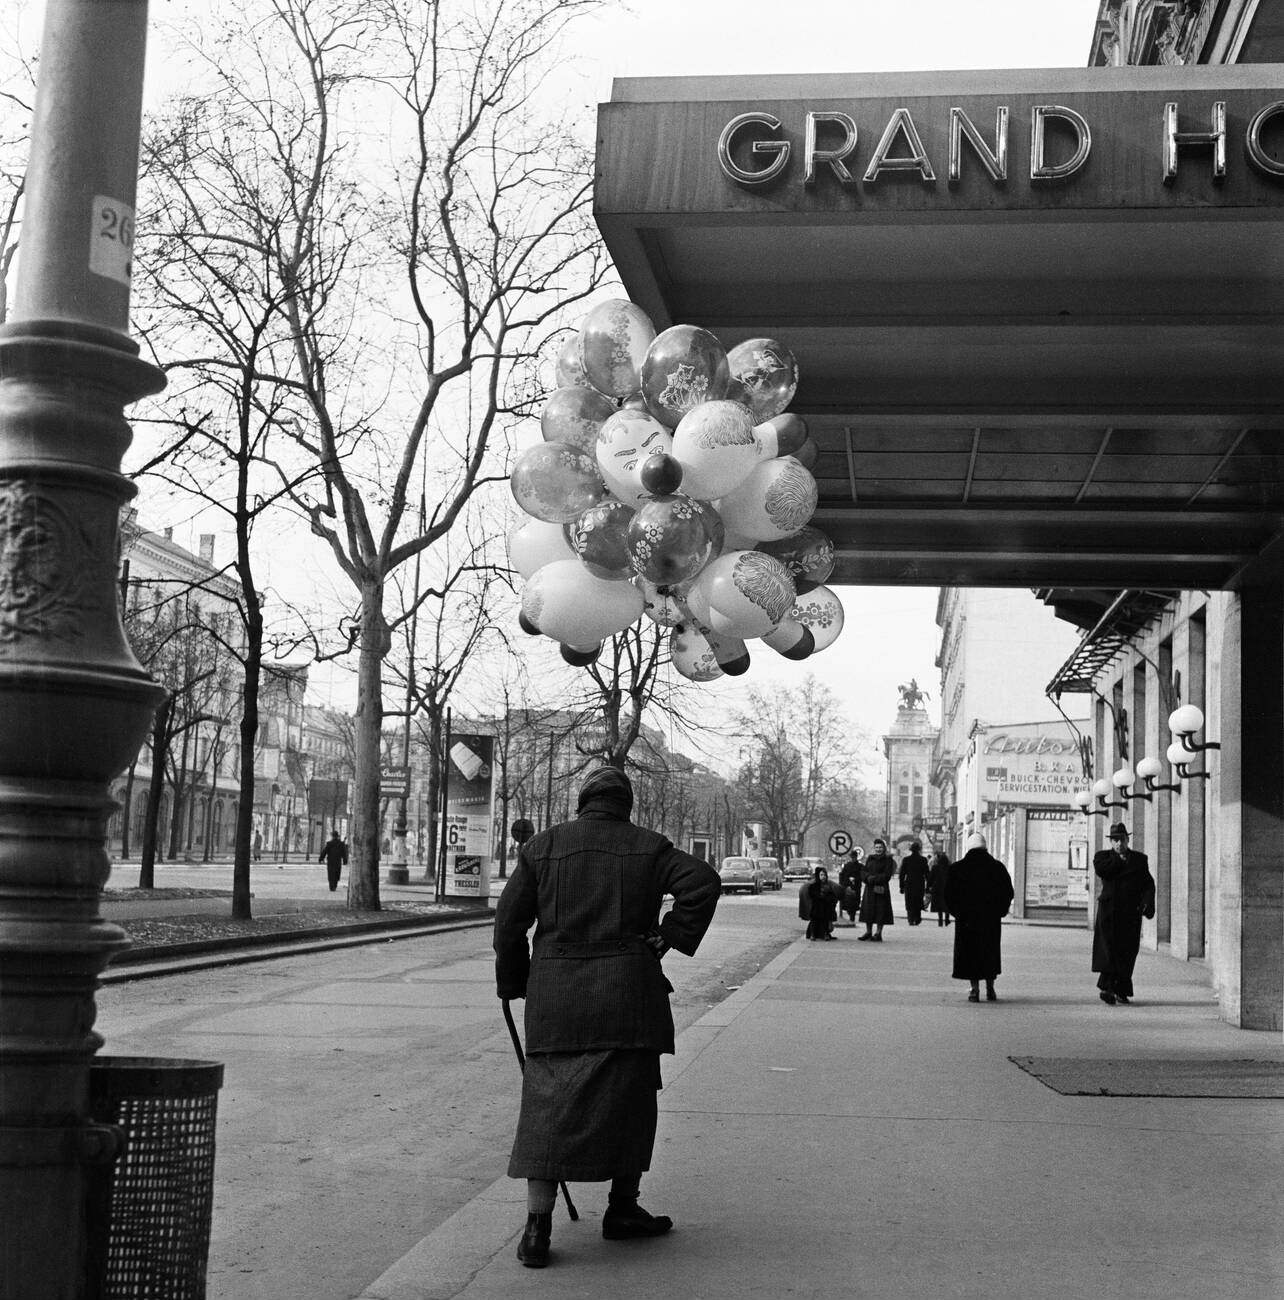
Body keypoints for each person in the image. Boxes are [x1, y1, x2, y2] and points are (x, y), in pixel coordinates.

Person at [493, 767, 721, 1269]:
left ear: (582, 802)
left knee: (547, 1104)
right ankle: (622, 1209)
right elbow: (703, 881)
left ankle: (537, 1226)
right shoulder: (649, 846)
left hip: (556, 997)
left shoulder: (544, 847)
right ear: (627, 805)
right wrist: (669, 934)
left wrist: (513, 981)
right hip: (627, 994)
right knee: (631, 1100)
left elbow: (508, 923)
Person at [1091, 822, 1156, 1006]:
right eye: (1115, 840)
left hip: (1130, 914)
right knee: (1109, 950)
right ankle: (1108, 989)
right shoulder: (1102, 857)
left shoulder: (1139, 860)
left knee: (1127, 952)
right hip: (1109, 913)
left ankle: (1121, 990)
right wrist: (1120, 859)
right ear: (1111, 842)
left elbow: (1148, 884)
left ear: (1128, 839)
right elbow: (1104, 871)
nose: (1119, 843)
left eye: (1122, 839)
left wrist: (1147, 903)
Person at [945, 832, 1014, 1002]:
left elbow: (948, 895)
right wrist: (1000, 911)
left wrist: (958, 913)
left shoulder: (957, 868)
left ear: (968, 848)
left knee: (970, 955)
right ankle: (990, 988)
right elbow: (1008, 892)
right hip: (990, 921)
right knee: (989, 953)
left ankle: (974, 990)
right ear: (985, 847)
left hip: (966, 921)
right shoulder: (997, 867)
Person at [858, 837, 896, 941]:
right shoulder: (870, 858)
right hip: (869, 888)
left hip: (880, 888)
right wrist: (866, 878)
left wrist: (874, 879)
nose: (878, 849)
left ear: (884, 848)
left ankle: (878, 933)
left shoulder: (888, 859)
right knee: (868, 910)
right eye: (876, 847)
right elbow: (864, 871)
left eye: (880, 847)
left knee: (880, 911)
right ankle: (868, 932)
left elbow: (887, 875)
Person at [898, 840, 929, 926]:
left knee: (909, 901)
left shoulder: (906, 860)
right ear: (919, 850)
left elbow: (902, 874)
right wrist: (928, 886)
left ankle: (910, 919)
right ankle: (917, 918)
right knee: (918, 900)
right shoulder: (923, 860)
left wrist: (901, 886)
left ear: (911, 850)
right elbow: (927, 873)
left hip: (909, 883)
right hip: (919, 883)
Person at [804, 866, 838, 940]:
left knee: (825, 918)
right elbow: (812, 895)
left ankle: (826, 933)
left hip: (825, 906)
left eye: (824, 875)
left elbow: (832, 896)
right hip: (816, 906)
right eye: (821, 875)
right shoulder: (813, 886)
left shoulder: (828, 886)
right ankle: (813, 934)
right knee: (814, 919)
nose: (823, 877)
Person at [837, 848, 863, 926]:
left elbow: (862, 876)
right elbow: (843, 876)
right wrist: (845, 884)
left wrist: (855, 879)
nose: (853, 858)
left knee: (855, 904)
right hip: (848, 887)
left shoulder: (860, 866)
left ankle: (852, 917)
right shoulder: (847, 865)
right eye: (852, 857)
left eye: (854, 857)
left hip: (856, 887)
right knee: (848, 903)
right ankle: (850, 915)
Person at [927, 850, 951, 926]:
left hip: (937, 889)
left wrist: (928, 888)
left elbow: (930, 879)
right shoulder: (950, 868)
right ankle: (947, 920)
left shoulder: (935, 867)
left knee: (939, 906)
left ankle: (940, 920)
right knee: (947, 905)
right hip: (947, 888)